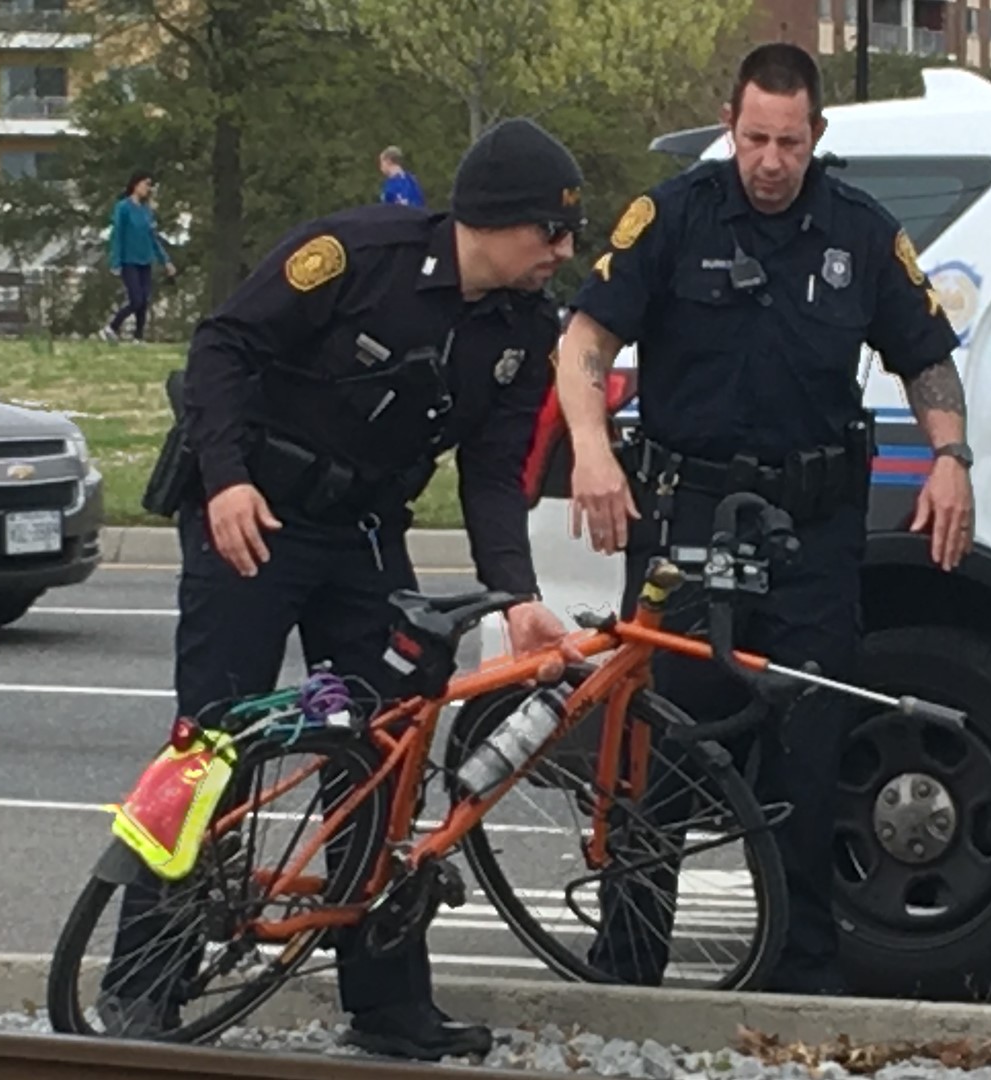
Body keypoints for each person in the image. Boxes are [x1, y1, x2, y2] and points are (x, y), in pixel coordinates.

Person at [103, 117, 585, 1060]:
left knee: (384, 753)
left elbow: (492, 474)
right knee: (210, 746)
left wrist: (515, 593)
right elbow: (222, 348)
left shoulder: (526, 326)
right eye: (548, 232)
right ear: (488, 221)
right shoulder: (356, 255)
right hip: (255, 517)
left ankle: (386, 1001)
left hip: (364, 534)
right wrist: (227, 474)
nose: (561, 251)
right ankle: (144, 984)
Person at [553, 42, 974, 995]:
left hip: (810, 534)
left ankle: (798, 978)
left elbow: (927, 359)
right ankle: (624, 970)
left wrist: (952, 458)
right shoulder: (672, 215)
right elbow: (585, 339)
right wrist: (590, 447)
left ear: (815, 136)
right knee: (652, 746)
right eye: (754, 138)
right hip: (686, 513)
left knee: (808, 756)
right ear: (730, 128)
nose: (771, 160)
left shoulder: (859, 233)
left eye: (789, 141)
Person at [101, 170, 176, 343]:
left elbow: (153, 237)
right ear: (136, 185)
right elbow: (118, 235)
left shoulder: (146, 211)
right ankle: (111, 327)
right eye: (146, 184)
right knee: (136, 299)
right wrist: (116, 260)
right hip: (129, 260)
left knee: (145, 299)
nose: (148, 188)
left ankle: (138, 337)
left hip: (145, 259)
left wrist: (166, 261)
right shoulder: (123, 208)